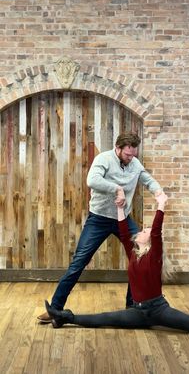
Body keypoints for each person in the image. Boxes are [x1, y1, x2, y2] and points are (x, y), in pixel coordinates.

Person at [45, 192, 189, 333]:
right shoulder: (133, 254)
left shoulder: (154, 257)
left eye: (144, 231)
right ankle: (63, 317)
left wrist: (161, 205)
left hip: (158, 310)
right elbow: (123, 229)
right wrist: (120, 208)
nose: (141, 231)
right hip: (137, 311)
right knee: (101, 318)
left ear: (150, 240)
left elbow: (156, 231)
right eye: (143, 230)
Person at [38, 132, 162, 323]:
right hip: (99, 219)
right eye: (128, 155)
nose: (131, 158)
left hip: (123, 219)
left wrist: (159, 191)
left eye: (133, 155)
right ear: (118, 148)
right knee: (79, 261)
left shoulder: (134, 163)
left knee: (140, 258)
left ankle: (133, 306)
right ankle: (55, 308)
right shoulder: (103, 159)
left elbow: (146, 179)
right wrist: (117, 188)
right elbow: (92, 180)